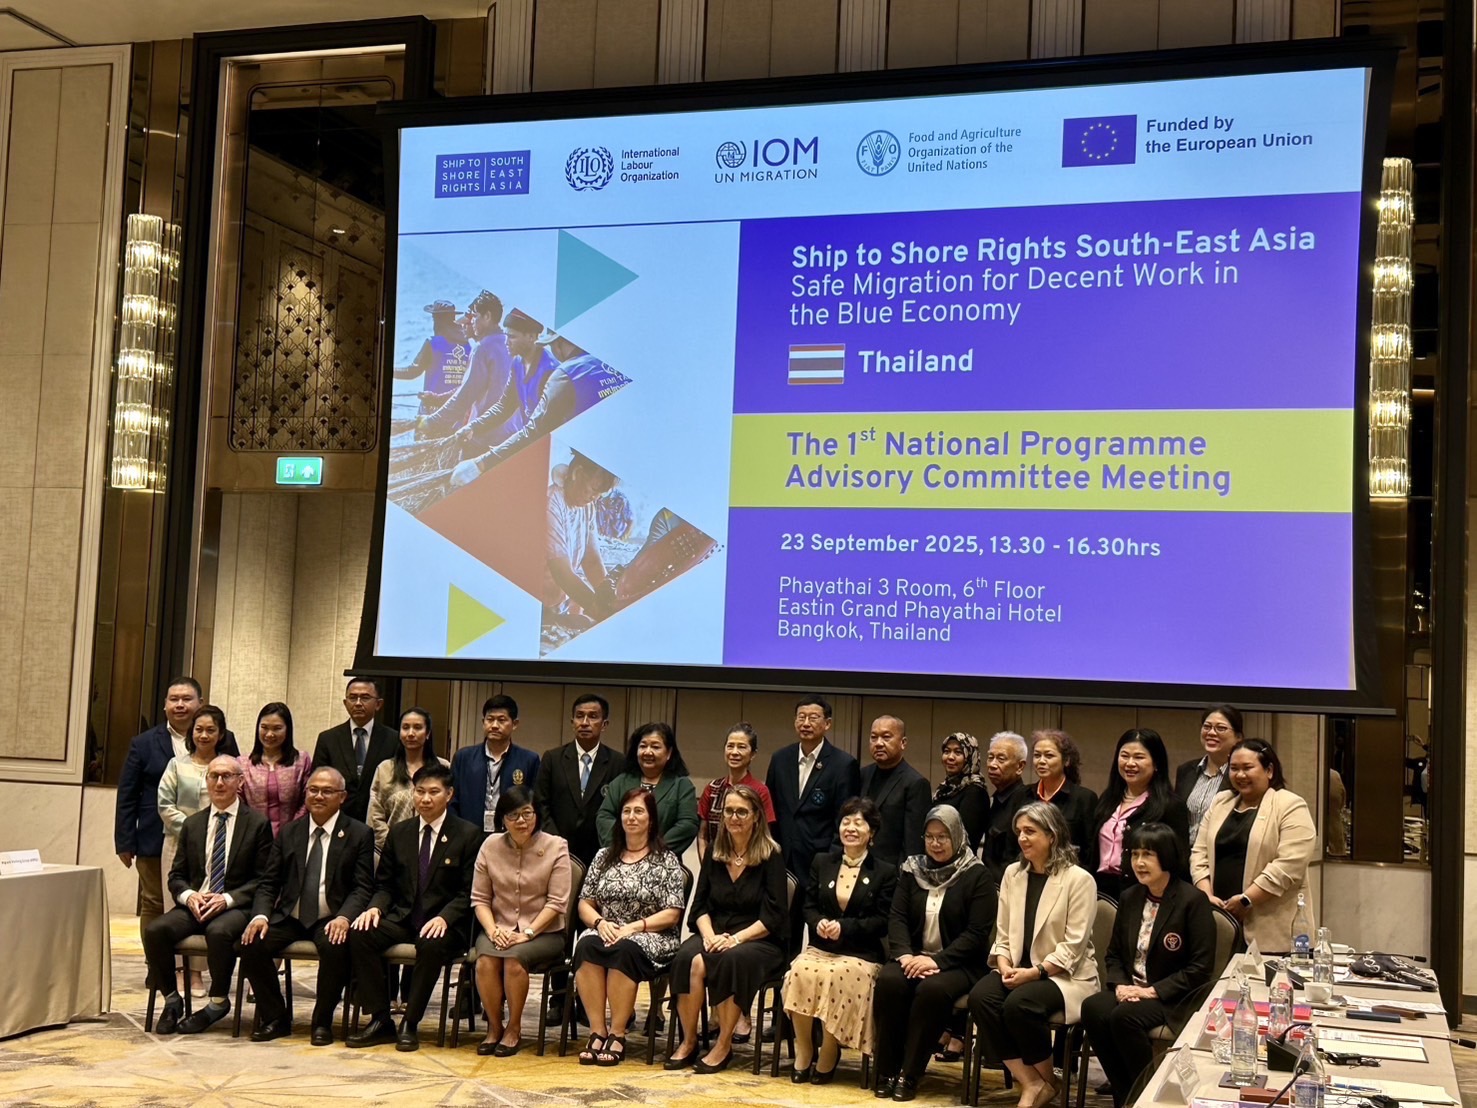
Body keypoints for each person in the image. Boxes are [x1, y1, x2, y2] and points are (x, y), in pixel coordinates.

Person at [970, 802, 1100, 1108]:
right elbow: (1002, 934)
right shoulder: (1013, 874)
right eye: (1019, 832)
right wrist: (1004, 966)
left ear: (1052, 835)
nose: (1022, 838)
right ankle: (1033, 1082)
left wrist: (1035, 973)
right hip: (1018, 968)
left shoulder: (1079, 880)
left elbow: (1073, 945)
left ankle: (1046, 1081)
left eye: (1030, 831)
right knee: (981, 997)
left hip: (1064, 975)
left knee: (1020, 1004)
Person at [346, 763, 481, 1052]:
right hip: (404, 917)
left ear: (449, 794)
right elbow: (385, 884)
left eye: (434, 792)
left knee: (431, 943)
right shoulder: (400, 832)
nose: (425, 799)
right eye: (420, 792)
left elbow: (469, 891)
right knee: (360, 934)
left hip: (445, 924)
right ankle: (381, 1019)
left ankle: (410, 1022)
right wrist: (375, 908)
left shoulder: (467, 834)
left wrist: (445, 917)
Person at [1081, 823, 1216, 1108]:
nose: (1139, 862)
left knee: (1123, 1017)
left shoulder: (1192, 901)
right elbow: (1113, 954)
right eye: (1134, 854)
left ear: (1166, 856)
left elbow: (1200, 969)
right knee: (1093, 1008)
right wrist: (1120, 986)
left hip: (1174, 996)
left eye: (1147, 855)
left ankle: (1145, 1093)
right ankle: (1126, 1094)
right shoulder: (1130, 897)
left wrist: (1150, 992)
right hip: (1132, 990)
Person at [238, 767, 375, 1045]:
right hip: (291, 915)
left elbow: (362, 887)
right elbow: (269, 882)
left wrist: (345, 917)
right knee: (251, 943)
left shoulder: (359, 834)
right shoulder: (290, 832)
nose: (319, 796)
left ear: (342, 797)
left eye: (327, 791)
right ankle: (276, 1017)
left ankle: (322, 1022)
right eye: (313, 790)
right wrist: (260, 915)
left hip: (331, 916)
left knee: (336, 945)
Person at [871, 804, 995, 1102]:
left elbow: (976, 934)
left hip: (959, 963)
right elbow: (897, 917)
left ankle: (910, 1073)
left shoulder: (976, 875)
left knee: (931, 990)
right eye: (929, 837)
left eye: (943, 837)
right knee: (889, 981)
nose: (935, 843)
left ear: (957, 836)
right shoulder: (912, 869)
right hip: (912, 957)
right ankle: (886, 1070)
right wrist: (904, 955)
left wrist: (936, 960)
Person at [143, 755, 273, 1036]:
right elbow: (176, 876)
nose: (219, 782)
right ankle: (172, 1000)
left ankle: (218, 1001)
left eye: (227, 776)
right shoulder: (193, 824)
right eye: (213, 776)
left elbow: (263, 879)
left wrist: (227, 899)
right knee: (155, 931)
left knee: (219, 932)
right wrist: (189, 895)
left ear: (240, 782)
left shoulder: (257, 824)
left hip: (234, 905)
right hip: (197, 903)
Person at [668, 784, 787, 1073]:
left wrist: (735, 939)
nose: (734, 817)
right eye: (729, 811)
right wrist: (709, 937)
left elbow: (773, 917)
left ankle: (723, 1044)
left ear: (756, 816)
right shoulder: (715, 852)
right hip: (715, 931)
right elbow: (699, 907)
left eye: (742, 812)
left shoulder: (771, 855)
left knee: (730, 959)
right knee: (687, 959)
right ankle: (689, 1040)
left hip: (757, 938)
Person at [783, 797, 897, 1084]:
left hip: (860, 953)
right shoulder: (822, 861)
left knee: (836, 976)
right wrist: (818, 922)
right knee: (799, 971)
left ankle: (830, 1049)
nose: (851, 828)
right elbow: (808, 906)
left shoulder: (884, 871)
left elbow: (882, 920)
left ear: (871, 832)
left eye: (859, 823)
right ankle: (805, 1048)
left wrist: (844, 927)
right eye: (846, 822)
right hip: (822, 948)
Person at [572, 787, 687, 1066]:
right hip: (608, 928)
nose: (631, 817)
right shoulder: (603, 856)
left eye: (639, 811)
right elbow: (584, 903)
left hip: (652, 934)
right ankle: (597, 1031)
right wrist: (599, 922)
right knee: (586, 944)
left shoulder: (666, 859)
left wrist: (634, 928)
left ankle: (618, 1033)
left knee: (624, 949)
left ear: (651, 819)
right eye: (626, 811)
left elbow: (672, 913)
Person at [116, 677, 239, 930]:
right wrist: (124, 841)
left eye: (186, 699)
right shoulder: (143, 742)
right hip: (156, 837)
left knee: (202, 900)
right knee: (153, 901)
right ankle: (156, 956)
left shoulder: (224, 739)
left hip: (216, 840)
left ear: (200, 703)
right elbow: (127, 794)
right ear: (165, 704)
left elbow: (234, 783)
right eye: (174, 699)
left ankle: (193, 955)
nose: (180, 704)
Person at [470, 785, 571, 1056]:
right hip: (498, 927)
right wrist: (493, 931)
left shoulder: (556, 846)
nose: (521, 821)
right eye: (513, 815)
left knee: (513, 960)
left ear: (536, 815)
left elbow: (557, 903)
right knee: (485, 961)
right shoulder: (490, 846)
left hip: (544, 933)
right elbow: (480, 899)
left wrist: (527, 933)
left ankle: (513, 1028)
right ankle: (494, 1027)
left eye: (527, 813)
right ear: (502, 819)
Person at [1191, 738, 1317, 952]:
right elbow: (1198, 853)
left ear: (1269, 770)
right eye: (1234, 768)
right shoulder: (1221, 801)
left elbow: (1289, 865)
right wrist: (1206, 895)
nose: (1240, 775)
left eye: (1247, 768)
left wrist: (1247, 900)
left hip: (1271, 929)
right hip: (1219, 921)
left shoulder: (1290, 805)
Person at [768, 695, 862, 951]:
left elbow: (845, 821)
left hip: (820, 865)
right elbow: (771, 812)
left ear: (827, 724)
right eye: (801, 717)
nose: (806, 723)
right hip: (783, 862)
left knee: (821, 939)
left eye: (813, 718)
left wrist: (831, 864)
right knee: (782, 938)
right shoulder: (780, 759)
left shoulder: (843, 764)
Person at [158, 704, 229, 997]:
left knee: (207, 904)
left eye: (211, 730)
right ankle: (180, 970)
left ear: (220, 734)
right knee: (178, 904)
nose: (204, 735)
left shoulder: (227, 766)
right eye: (199, 729)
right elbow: (165, 805)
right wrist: (194, 831)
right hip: (178, 844)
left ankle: (198, 971)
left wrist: (208, 833)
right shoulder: (176, 765)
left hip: (218, 845)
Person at [1081, 729, 1191, 898]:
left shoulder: (1170, 805)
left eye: (1139, 757)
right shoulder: (1108, 798)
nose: (1130, 763)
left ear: (1156, 764)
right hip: (1098, 889)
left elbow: (1179, 861)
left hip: (1142, 892)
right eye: (1124, 756)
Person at [533, 693, 624, 866]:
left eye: (593, 716)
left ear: (604, 724)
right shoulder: (553, 758)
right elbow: (541, 804)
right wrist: (556, 842)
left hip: (601, 852)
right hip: (556, 849)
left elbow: (619, 809)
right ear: (572, 722)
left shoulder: (618, 762)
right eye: (579, 716)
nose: (585, 722)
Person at [415, 290, 515, 444]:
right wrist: (437, 398)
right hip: (511, 433)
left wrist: (432, 422)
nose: (471, 321)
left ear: (487, 316)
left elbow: (466, 394)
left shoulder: (482, 348)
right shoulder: (511, 344)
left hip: (484, 435)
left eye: (475, 316)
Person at [596, 722, 699, 858]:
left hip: (662, 859)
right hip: (621, 858)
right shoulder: (621, 782)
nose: (648, 752)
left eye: (655, 747)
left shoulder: (681, 785)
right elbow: (604, 816)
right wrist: (622, 847)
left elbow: (688, 824)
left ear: (669, 753)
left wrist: (653, 850)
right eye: (643, 746)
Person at [542, 450, 619, 622]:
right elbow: (562, 573)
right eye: (593, 489)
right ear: (577, 473)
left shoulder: (587, 507)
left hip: (558, 603)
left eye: (600, 493)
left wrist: (610, 598)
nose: (594, 497)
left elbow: (592, 561)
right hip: (536, 605)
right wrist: (598, 610)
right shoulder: (550, 503)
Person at [311, 677, 400, 825]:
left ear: (378, 704)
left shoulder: (393, 739)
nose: (358, 703)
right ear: (345, 703)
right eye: (352, 698)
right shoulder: (328, 739)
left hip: (378, 820)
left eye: (365, 698)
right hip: (337, 820)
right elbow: (318, 781)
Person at [450, 694, 540, 835]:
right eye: (490, 719)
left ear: (514, 724)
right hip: (468, 834)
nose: (494, 726)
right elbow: (452, 800)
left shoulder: (529, 760)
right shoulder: (463, 757)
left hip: (512, 834)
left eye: (501, 720)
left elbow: (534, 803)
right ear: (483, 722)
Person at [367, 707, 448, 855]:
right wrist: (394, 846)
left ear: (428, 733)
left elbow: (450, 810)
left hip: (434, 849)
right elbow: (375, 815)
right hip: (391, 851)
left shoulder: (443, 767)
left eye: (417, 727)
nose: (410, 733)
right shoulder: (385, 768)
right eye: (405, 728)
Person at [859, 715, 931, 866]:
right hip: (858, 863)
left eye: (886, 737)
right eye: (873, 737)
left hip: (891, 870)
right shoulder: (862, 774)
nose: (879, 743)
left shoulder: (916, 783)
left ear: (903, 743)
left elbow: (913, 845)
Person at [697, 723, 777, 858]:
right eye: (730, 746)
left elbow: (764, 837)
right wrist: (708, 865)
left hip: (751, 863)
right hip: (714, 862)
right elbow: (702, 836)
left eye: (741, 747)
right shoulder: (712, 788)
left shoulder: (760, 791)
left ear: (753, 754)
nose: (734, 752)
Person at [237, 702, 313, 837]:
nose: (269, 734)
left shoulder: (302, 760)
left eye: (277, 728)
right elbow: (239, 803)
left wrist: (292, 830)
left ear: (288, 730)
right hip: (253, 836)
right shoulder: (243, 764)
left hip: (294, 835)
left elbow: (307, 799)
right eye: (264, 727)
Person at [1020, 730, 1098, 855]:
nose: (1041, 761)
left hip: (1069, 865)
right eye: (1037, 755)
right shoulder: (1022, 795)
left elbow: (1090, 850)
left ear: (1066, 761)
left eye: (1049, 756)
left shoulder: (1085, 798)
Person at [1175, 705, 1240, 844]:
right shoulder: (1186, 770)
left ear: (1238, 737)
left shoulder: (1240, 775)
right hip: (1185, 854)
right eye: (1207, 727)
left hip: (1220, 852)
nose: (1211, 733)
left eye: (1220, 728)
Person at [980, 731, 1030, 879]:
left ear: (1020, 767)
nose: (992, 765)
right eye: (990, 757)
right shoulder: (996, 799)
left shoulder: (1025, 803)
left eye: (1001, 759)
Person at [934, 732, 990, 848]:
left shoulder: (975, 792)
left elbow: (966, 839)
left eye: (958, 752)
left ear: (970, 757)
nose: (950, 757)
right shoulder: (944, 789)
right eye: (947, 751)